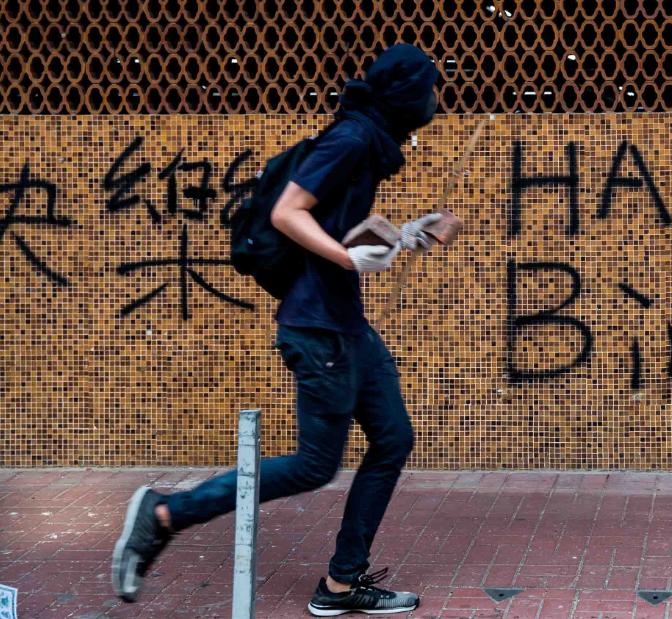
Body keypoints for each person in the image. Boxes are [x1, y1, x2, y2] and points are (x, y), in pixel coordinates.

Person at [111, 44, 444, 616]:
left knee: (393, 439)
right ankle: (165, 513)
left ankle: (340, 585)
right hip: (319, 328)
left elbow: (338, 225)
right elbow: (287, 213)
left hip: (345, 324)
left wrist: (402, 235)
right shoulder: (353, 138)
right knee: (315, 466)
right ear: (405, 93)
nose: (436, 101)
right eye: (431, 89)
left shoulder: (369, 142)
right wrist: (346, 256)